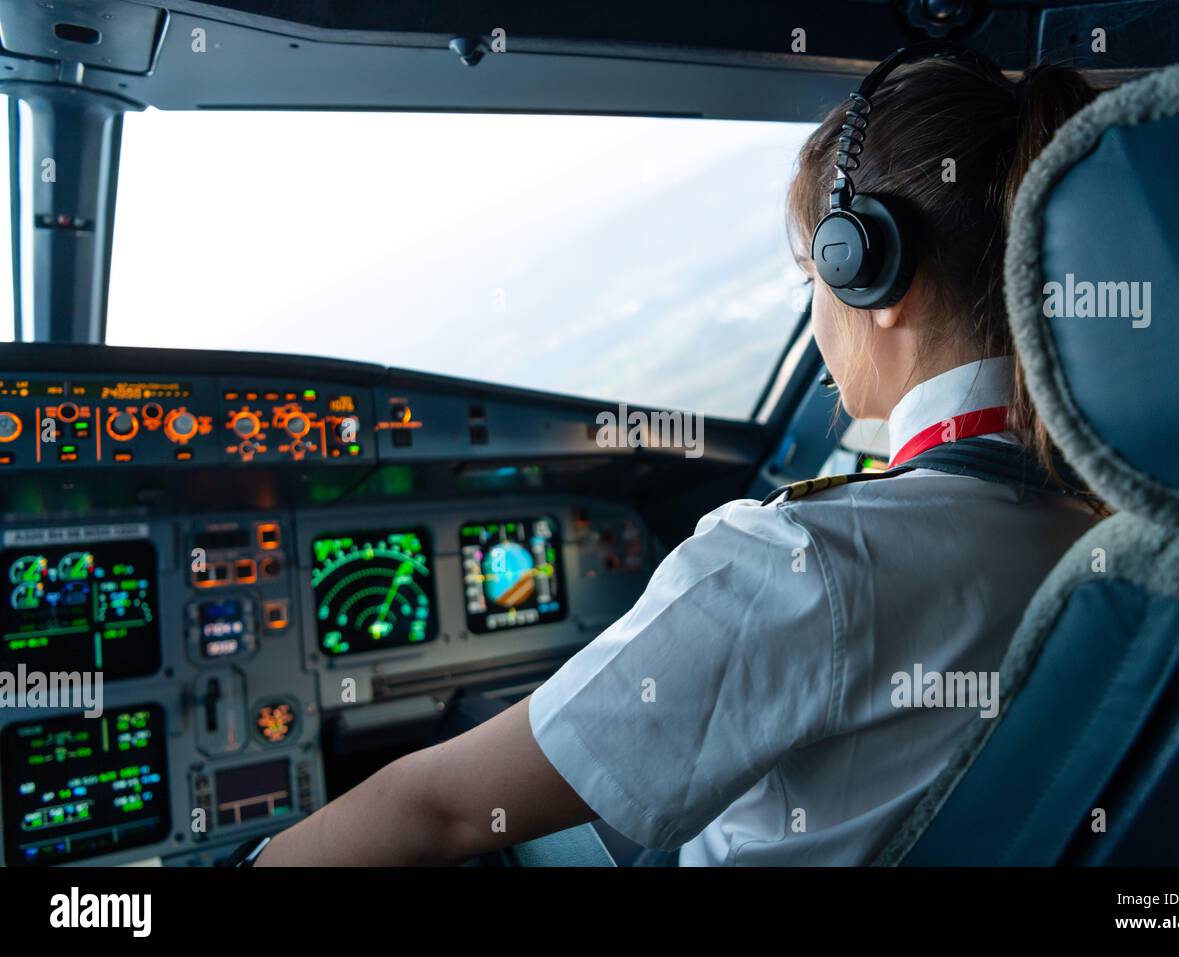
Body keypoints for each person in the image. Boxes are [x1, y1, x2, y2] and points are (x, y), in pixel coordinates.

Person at [253, 50, 1100, 867]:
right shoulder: (1103, 514)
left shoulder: (807, 561)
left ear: (871, 277)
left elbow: (439, 808)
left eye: (813, 276)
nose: (817, 310)